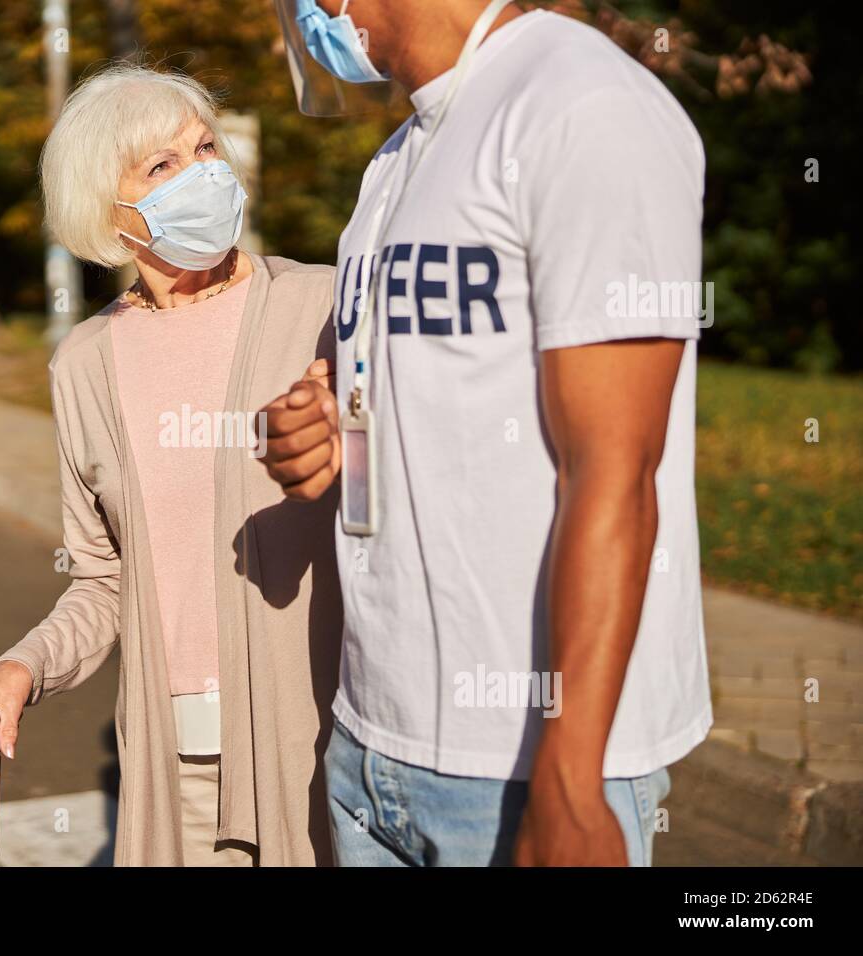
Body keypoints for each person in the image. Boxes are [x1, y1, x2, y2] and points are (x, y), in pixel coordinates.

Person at [260, 0, 711, 865]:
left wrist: (572, 782)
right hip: (370, 745)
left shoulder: (582, 106)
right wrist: (319, 432)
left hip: (524, 766)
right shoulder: (396, 160)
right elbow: (407, 397)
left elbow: (617, 468)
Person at [0, 64, 342, 866]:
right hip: (182, 768)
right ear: (109, 213)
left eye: (205, 147)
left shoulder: (323, 308)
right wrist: (21, 668)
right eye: (163, 166)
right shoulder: (88, 364)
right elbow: (105, 581)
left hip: (327, 746)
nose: (202, 171)